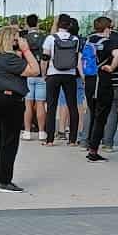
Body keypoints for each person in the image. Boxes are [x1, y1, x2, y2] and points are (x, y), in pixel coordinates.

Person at [0, 23, 41, 191]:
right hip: (10, 100)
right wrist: (26, 50)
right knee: (9, 140)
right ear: (11, 40)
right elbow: (35, 70)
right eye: (18, 39)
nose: (21, 41)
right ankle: (5, 180)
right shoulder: (9, 59)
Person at [84, 17, 118, 161]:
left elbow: (80, 60)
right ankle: (93, 151)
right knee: (101, 116)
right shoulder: (108, 42)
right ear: (107, 29)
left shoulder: (88, 40)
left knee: (93, 112)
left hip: (89, 81)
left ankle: (89, 143)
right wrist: (112, 67)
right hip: (102, 81)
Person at [42, 15, 82, 146]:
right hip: (70, 74)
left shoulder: (50, 38)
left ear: (58, 24)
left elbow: (45, 58)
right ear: (69, 25)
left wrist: (44, 74)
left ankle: (49, 140)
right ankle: (72, 139)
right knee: (72, 106)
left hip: (53, 74)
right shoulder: (75, 39)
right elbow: (77, 58)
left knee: (52, 106)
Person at [20, 14, 48, 143]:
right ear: (38, 23)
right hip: (41, 75)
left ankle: (27, 131)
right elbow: (45, 58)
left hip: (28, 74)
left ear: (27, 23)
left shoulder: (24, 38)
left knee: (28, 103)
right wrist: (43, 73)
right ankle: (42, 131)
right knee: (41, 103)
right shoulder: (45, 38)